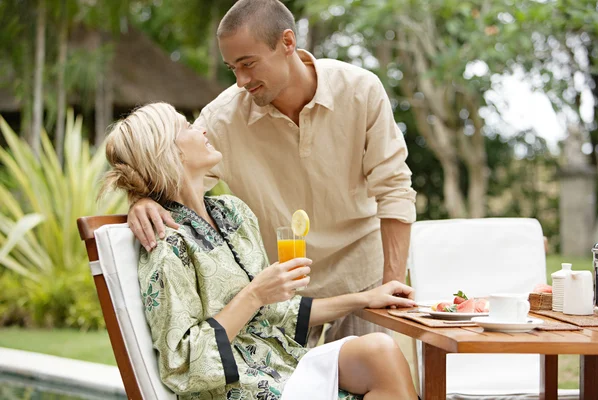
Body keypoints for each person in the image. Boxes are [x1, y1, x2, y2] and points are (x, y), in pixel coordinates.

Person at [128, 0, 417, 344]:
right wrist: (141, 199)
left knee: (381, 379)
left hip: (363, 276)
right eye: (232, 67)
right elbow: (172, 170)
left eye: (248, 64)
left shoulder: (360, 90)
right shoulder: (221, 119)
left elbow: (395, 189)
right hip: (285, 295)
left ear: (288, 42)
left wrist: (391, 287)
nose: (241, 80)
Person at [100, 102, 418, 400]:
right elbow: (183, 363)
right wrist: (254, 294)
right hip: (240, 386)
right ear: (170, 153)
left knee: (381, 351)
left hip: (284, 364)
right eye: (187, 127)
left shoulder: (232, 212)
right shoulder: (166, 247)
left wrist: (365, 298)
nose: (202, 130)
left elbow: (275, 312)